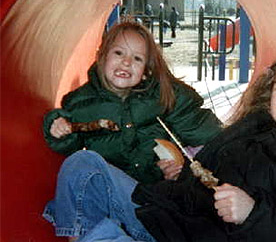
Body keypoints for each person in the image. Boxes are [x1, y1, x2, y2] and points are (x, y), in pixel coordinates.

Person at [44, 48, 276, 242]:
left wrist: (254, 215)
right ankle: (90, 241)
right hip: (170, 218)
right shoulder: (254, 127)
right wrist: (181, 175)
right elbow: (205, 173)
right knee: (85, 165)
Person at [42, 21, 221, 186]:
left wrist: (168, 170)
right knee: (80, 163)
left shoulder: (158, 97)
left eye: (137, 59)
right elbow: (69, 146)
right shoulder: (81, 102)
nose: (126, 62)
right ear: (101, 56)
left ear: (145, 70)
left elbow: (195, 124)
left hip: (151, 192)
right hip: (111, 189)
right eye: (119, 53)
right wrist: (58, 128)